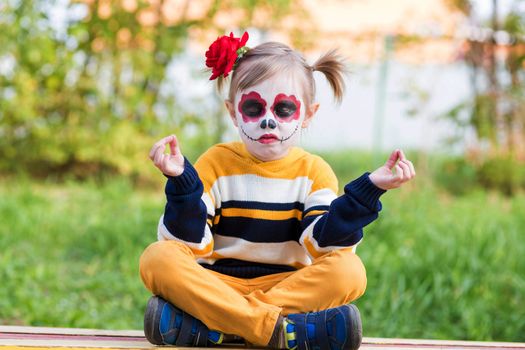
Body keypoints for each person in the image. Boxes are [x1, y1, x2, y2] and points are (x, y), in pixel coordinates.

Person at [139, 32, 415, 350]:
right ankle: (278, 330)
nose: (269, 121)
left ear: (308, 115)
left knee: (349, 270)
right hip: (218, 283)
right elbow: (190, 242)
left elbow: (322, 243)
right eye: (254, 108)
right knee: (157, 257)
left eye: (284, 109)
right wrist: (182, 184)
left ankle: (222, 327)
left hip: (286, 286)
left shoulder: (314, 171)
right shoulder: (215, 162)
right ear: (233, 112)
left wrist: (369, 189)